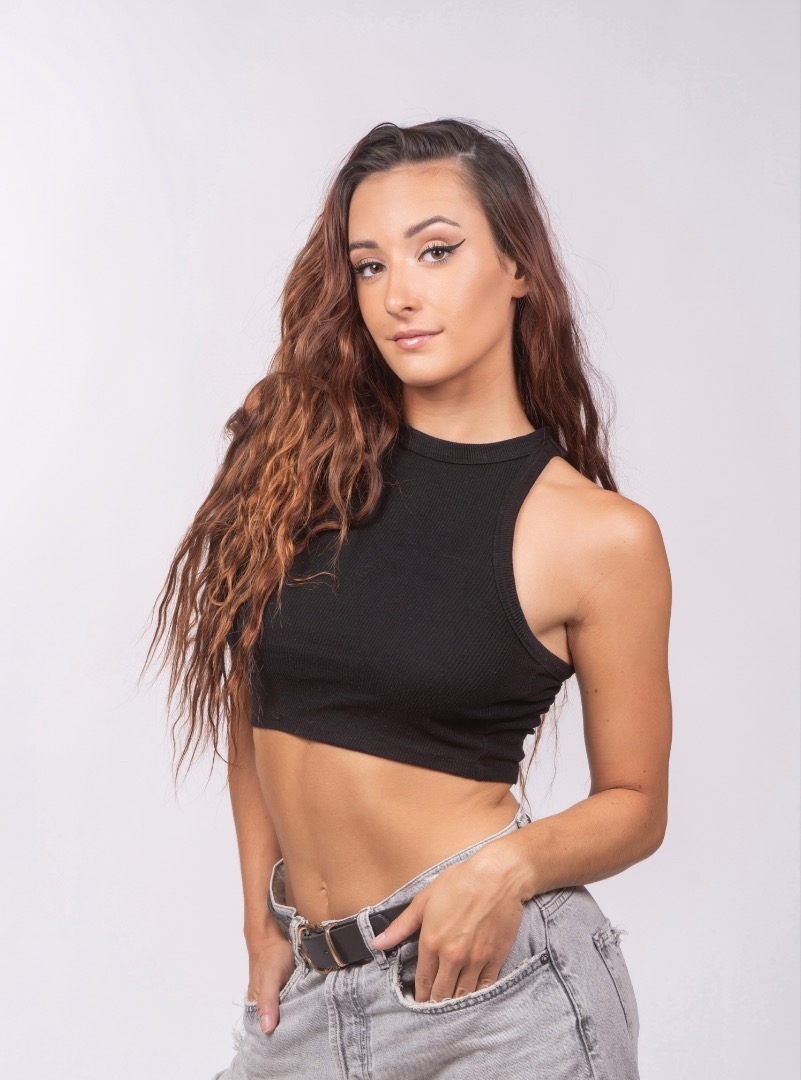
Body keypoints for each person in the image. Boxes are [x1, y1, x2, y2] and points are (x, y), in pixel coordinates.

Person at [147, 118, 672, 1080]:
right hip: (309, 990)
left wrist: (507, 869)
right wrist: (260, 921)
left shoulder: (599, 536)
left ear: (518, 266)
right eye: (369, 265)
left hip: (497, 993)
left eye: (436, 251)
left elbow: (635, 805)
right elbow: (253, 707)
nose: (398, 295)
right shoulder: (295, 464)